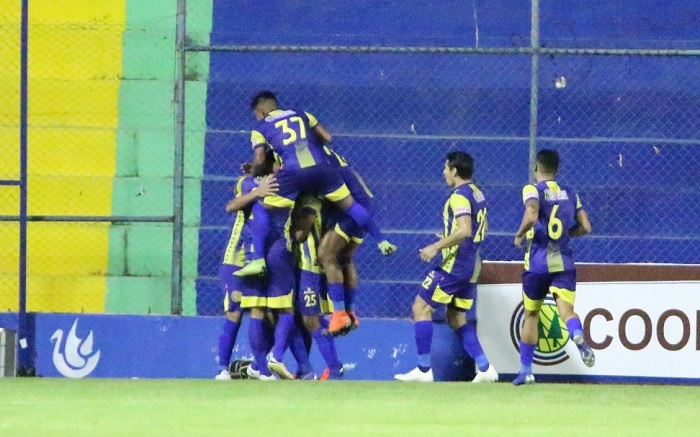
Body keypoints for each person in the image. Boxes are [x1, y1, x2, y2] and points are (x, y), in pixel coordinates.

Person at [234, 91, 396, 279]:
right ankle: (382, 240)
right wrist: (305, 143)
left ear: (260, 111)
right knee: (351, 205)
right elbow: (327, 137)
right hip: (321, 168)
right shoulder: (301, 114)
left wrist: (254, 170)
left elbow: (260, 158)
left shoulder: (260, 128)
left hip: (293, 173)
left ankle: (258, 260)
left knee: (261, 207)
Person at [394, 151, 498, 383]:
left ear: (454, 170)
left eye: (446, 168)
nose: (444, 172)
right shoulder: (477, 193)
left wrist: (436, 246)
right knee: (456, 317)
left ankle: (423, 370)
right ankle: (484, 367)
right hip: (472, 265)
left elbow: (464, 229)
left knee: (421, 308)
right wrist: (453, 238)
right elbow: (482, 227)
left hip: (455, 266)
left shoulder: (459, 196)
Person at [512, 149, 594, 386]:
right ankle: (576, 334)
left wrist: (519, 235)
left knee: (531, 315)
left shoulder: (532, 189)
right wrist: (566, 234)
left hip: (537, 263)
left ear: (535, 168)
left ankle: (526, 371)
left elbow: (531, 214)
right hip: (564, 262)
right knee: (567, 312)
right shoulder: (570, 192)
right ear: (557, 170)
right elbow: (586, 226)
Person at [215, 162, 278, 380]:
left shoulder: (281, 183)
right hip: (236, 257)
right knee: (235, 312)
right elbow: (231, 206)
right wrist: (257, 192)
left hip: (261, 257)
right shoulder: (247, 182)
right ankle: (222, 368)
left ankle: (260, 368)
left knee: (262, 311)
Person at [318, 146, 373, 335]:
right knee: (345, 258)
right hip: (363, 202)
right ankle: (350, 313)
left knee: (326, 255)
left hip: (348, 206)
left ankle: (340, 314)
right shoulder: (326, 152)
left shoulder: (307, 154)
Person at [292, 194, 345, 379]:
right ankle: (303, 369)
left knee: (311, 319)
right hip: (300, 266)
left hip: (309, 268)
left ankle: (335, 368)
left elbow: (301, 234)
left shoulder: (310, 201)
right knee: (298, 319)